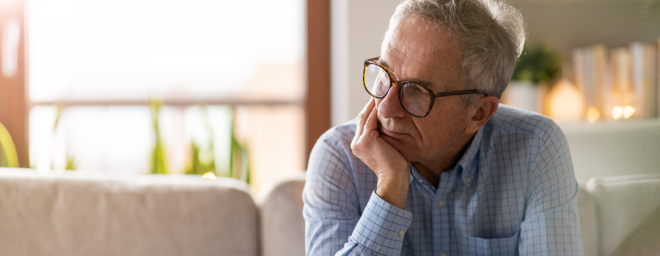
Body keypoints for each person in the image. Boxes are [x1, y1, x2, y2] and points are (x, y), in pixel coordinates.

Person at [303, 0, 583, 255]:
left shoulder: (536, 146)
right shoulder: (338, 155)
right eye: (384, 74)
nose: (385, 108)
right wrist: (390, 188)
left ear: (479, 113)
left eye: (416, 91)